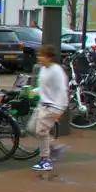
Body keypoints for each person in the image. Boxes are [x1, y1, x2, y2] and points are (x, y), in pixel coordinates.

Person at [31, 44, 68, 172]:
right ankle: (53, 148)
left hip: (52, 106)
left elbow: (62, 90)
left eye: (42, 56)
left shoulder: (56, 71)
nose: (39, 58)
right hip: (43, 104)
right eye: (39, 55)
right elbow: (43, 87)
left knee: (41, 131)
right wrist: (33, 92)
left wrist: (58, 108)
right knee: (31, 128)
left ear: (49, 57)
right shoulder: (43, 69)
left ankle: (45, 160)